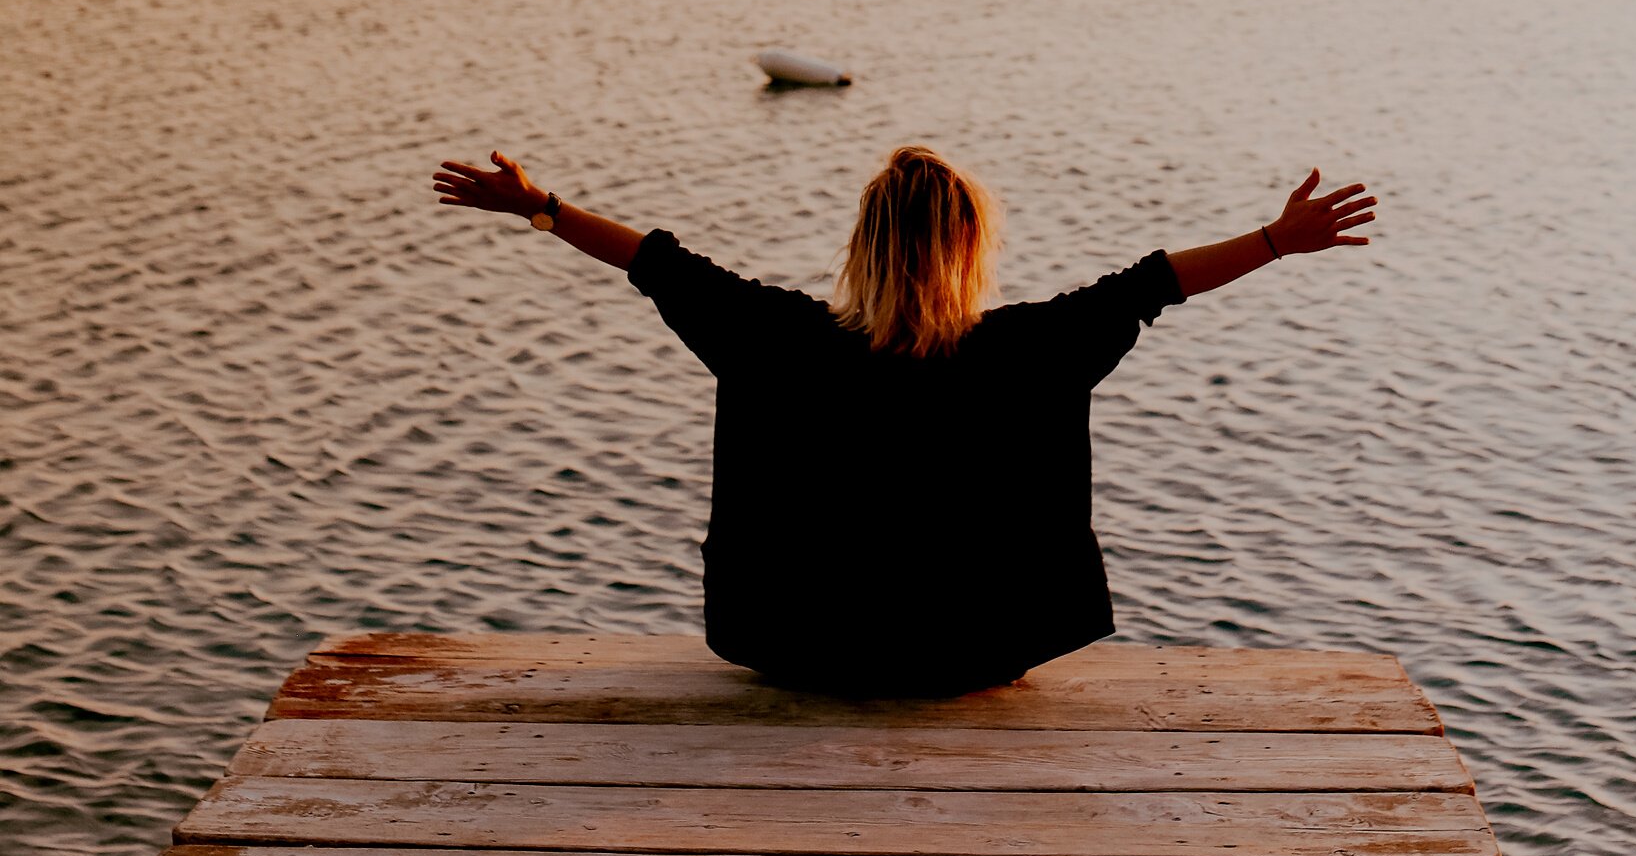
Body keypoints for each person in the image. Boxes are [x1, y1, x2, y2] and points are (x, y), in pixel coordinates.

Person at [430, 142, 1376, 696]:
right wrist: (1276, 242)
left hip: (793, 648)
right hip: (975, 654)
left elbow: (655, 262)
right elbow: (1156, 281)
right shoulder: (1031, 346)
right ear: (972, 246)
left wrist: (540, 207)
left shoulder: (775, 335)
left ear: (862, 243)